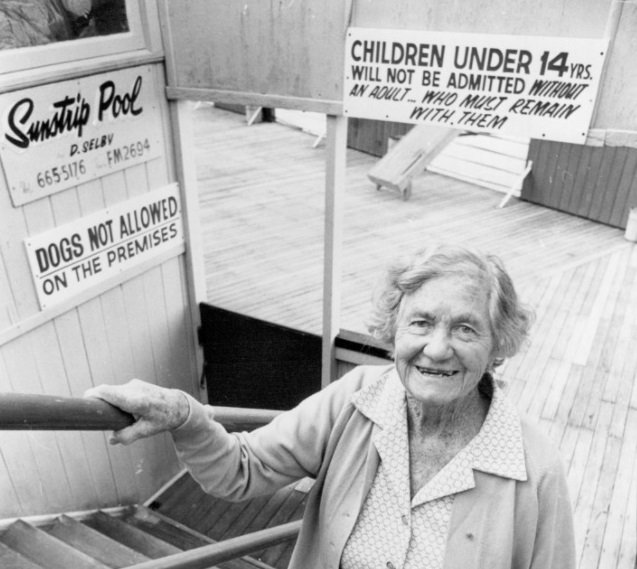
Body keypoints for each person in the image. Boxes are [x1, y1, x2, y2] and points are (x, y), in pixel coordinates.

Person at [87, 244, 576, 569]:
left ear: (499, 346)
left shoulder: (534, 469)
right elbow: (241, 469)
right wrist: (184, 415)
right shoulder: (359, 398)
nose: (437, 348)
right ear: (393, 332)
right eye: (421, 323)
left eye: (465, 329)